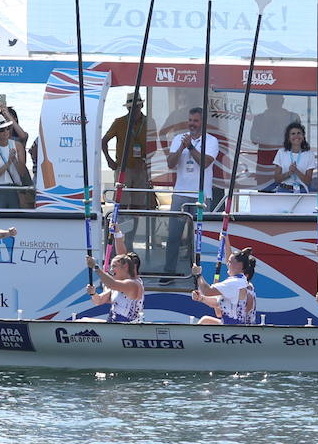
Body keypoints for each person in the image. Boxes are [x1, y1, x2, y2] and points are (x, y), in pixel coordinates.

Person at [161, 107, 219, 277]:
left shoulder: (211, 141)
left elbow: (206, 163)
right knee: (173, 237)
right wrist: (181, 147)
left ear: (203, 123)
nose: (192, 124)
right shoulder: (179, 138)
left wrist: (191, 147)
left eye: (196, 121)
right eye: (190, 120)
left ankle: (199, 274)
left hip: (201, 196)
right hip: (180, 194)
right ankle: (168, 273)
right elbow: (170, 164)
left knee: (200, 239)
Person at [101, 92, 156, 211]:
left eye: (136, 106)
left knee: (139, 204)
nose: (133, 109)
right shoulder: (119, 122)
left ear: (141, 106)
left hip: (141, 168)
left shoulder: (149, 122)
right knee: (121, 203)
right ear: (127, 108)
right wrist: (109, 160)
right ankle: (121, 227)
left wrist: (146, 161)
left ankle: (135, 229)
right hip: (123, 168)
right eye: (130, 107)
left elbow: (154, 146)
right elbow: (104, 141)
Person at [81, 236, 145, 323]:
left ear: (125, 266)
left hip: (127, 328)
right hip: (113, 325)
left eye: (114, 266)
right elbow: (98, 301)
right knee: (83, 320)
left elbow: (111, 284)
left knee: (83, 322)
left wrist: (95, 267)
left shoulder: (133, 284)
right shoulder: (118, 286)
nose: (111, 270)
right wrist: (93, 293)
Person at [192, 247, 258, 325]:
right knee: (205, 320)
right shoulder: (244, 283)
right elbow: (218, 302)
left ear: (239, 265)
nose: (227, 264)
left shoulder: (234, 283)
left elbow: (207, 291)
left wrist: (198, 275)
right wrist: (201, 298)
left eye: (230, 262)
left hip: (236, 330)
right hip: (242, 328)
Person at [0, 113, 28, 208]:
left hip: (14, 189)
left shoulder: (18, 145)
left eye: (8, 128)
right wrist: (8, 164)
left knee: (15, 220)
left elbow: (23, 173)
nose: (6, 132)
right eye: (1, 130)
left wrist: (14, 161)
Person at [267, 122, 315, 193]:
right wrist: (289, 173)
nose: (296, 136)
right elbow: (277, 179)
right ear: (288, 138)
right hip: (283, 190)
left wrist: (296, 171)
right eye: (293, 134)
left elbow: (308, 181)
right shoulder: (281, 152)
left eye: (299, 133)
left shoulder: (309, 154)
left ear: (303, 136)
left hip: (302, 191)